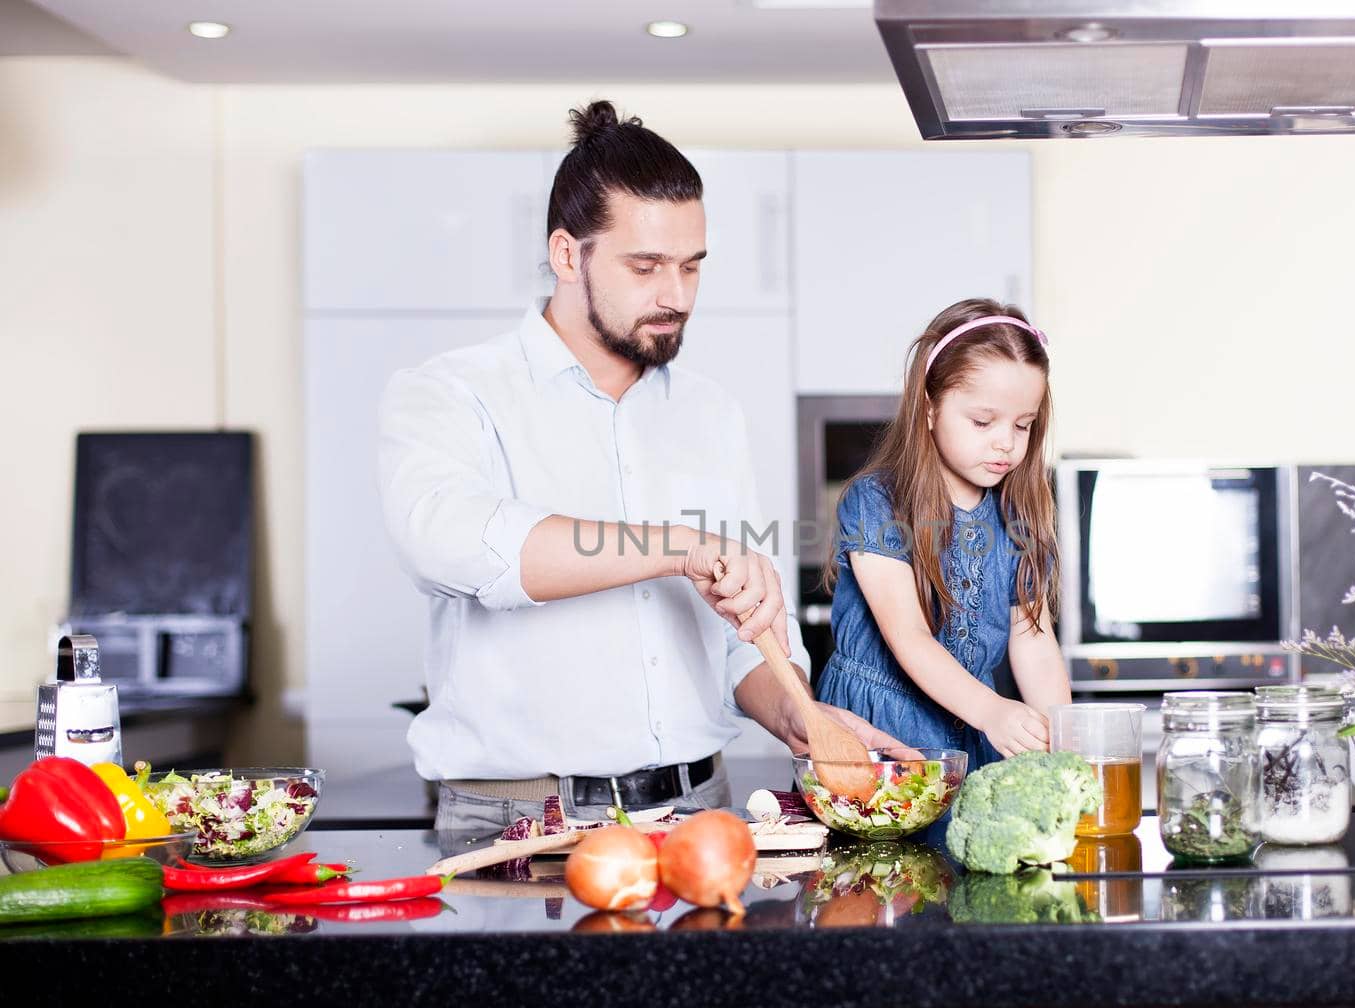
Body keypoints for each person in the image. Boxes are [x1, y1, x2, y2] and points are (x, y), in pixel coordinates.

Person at [378, 100, 905, 838]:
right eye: (646, 265)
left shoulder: (712, 414)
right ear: (568, 254)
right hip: (520, 820)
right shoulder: (453, 392)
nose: (677, 296)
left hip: (699, 812)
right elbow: (451, 544)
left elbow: (737, 644)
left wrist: (798, 713)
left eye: (692, 267)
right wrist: (680, 547)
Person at [819, 298, 1073, 771]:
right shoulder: (876, 502)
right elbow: (910, 637)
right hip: (875, 736)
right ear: (930, 408)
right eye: (983, 422)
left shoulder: (1018, 513)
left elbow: (1033, 640)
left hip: (966, 732)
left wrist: (1063, 737)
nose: (1006, 441)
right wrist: (990, 710)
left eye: (1023, 425)